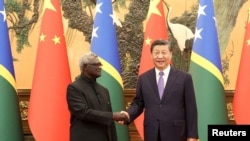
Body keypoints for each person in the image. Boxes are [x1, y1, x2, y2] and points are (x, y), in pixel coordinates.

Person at [121, 39, 199, 141]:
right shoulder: (144, 78)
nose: (160, 56)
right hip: (152, 132)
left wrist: (192, 136)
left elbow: (191, 109)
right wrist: (128, 114)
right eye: (156, 53)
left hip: (177, 133)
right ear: (151, 55)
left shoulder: (184, 78)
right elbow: (138, 103)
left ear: (170, 54)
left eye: (164, 53)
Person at [66, 52, 128, 141]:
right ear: (85, 67)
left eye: (100, 64)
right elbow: (84, 113)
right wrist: (113, 116)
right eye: (96, 64)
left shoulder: (104, 90)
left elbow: (110, 123)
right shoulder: (74, 88)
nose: (100, 67)